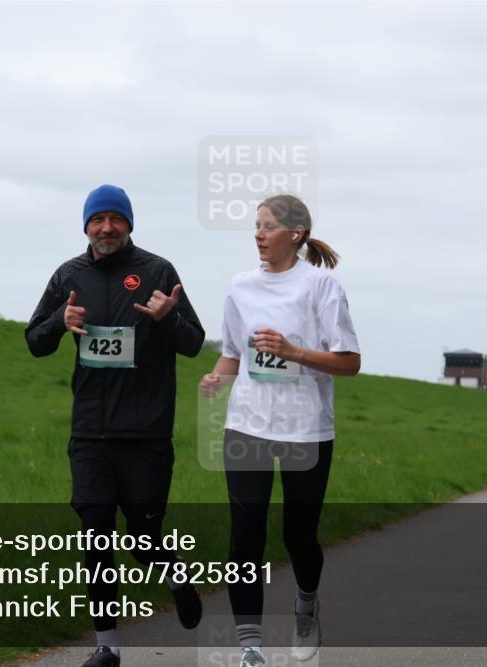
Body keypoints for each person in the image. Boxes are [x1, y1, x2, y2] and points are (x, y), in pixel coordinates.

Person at [25, 185, 206, 667]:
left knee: (143, 541)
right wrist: (59, 321)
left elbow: (193, 343)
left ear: (129, 224)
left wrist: (168, 318)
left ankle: (175, 573)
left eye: (116, 219)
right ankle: (107, 646)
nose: (107, 228)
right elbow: (35, 341)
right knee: (96, 536)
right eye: (98, 220)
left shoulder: (158, 271)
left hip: (146, 434)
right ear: (86, 226)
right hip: (90, 433)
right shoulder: (68, 276)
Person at [199, 194, 361, 667]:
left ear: (296, 234)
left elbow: (349, 362)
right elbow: (233, 354)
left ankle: (306, 605)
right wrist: (217, 378)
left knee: (299, 536)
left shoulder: (321, 286)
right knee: (245, 536)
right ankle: (250, 648)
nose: (258, 234)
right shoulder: (240, 287)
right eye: (256, 225)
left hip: (305, 429)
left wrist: (294, 352)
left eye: (268, 226)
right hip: (247, 425)